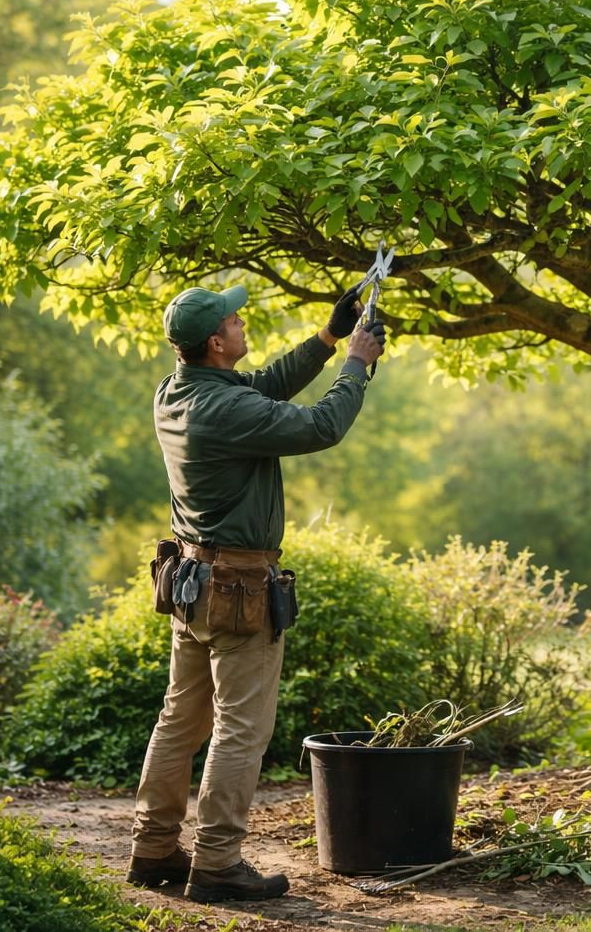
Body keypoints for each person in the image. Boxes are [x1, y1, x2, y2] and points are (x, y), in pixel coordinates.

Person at [127, 282, 386, 902]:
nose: (244, 324)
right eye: (236, 320)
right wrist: (358, 362)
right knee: (240, 729)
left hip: (191, 586)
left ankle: (153, 848)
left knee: (179, 720)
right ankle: (216, 863)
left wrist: (327, 339)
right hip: (238, 589)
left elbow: (261, 389)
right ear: (216, 342)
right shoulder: (224, 409)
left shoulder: (177, 390)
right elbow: (322, 425)